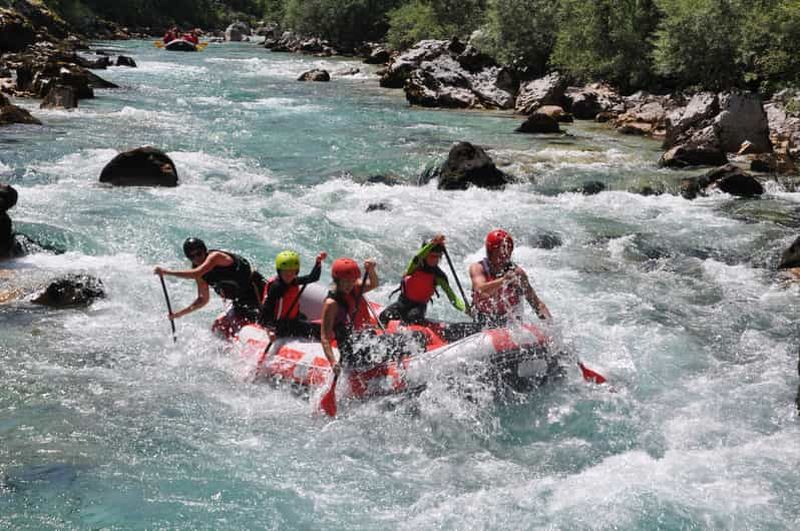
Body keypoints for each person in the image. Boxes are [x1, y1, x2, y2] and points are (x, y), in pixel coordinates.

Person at [154, 238, 265, 336]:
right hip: (240, 301)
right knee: (218, 328)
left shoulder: (216, 257)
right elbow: (203, 299)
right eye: (192, 256)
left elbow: (196, 273)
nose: (197, 258)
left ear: (205, 251)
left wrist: (166, 272)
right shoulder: (199, 272)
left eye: (199, 253)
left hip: (259, 294)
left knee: (266, 322)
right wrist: (179, 314)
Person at [469, 229, 551, 327]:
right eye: (501, 248)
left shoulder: (518, 274)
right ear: (491, 251)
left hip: (510, 322)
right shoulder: (478, 268)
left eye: (509, 248)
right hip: (483, 320)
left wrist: (550, 326)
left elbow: (537, 304)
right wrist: (503, 280)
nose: (505, 253)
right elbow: (480, 291)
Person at [379, 234, 466, 325]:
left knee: (413, 319)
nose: (435, 260)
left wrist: (464, 308)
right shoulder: (414, 266)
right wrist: (433, 243)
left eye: (438, 257)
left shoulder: (439, 276)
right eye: (432, 256)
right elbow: (418, 256)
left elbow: (452, 297)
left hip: (418, 307)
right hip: (402, 303)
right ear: (425, 255)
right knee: (384, 316)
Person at [320, 258, 378, 375]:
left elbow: (374, 284)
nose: (349, 285)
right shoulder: (331, 303)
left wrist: (371, 270)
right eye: (345, 281)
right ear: (337, 280)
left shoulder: (356, 287)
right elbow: (325, 338)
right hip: (349, 350)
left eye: (352, 281)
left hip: (364, 338)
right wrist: (333, 362)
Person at [258, 249, 327, 339]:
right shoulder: (277, 287)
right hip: (280, 325)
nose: (289, 275)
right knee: (317, 330)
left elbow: (313, 277)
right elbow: (266, 310)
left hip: (291, 320)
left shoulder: (293, 281)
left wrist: (318, 262)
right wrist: (270, 329)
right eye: (285, 272)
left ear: (296, 272)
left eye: (292, 272)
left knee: (304, 318)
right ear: (279, 272)